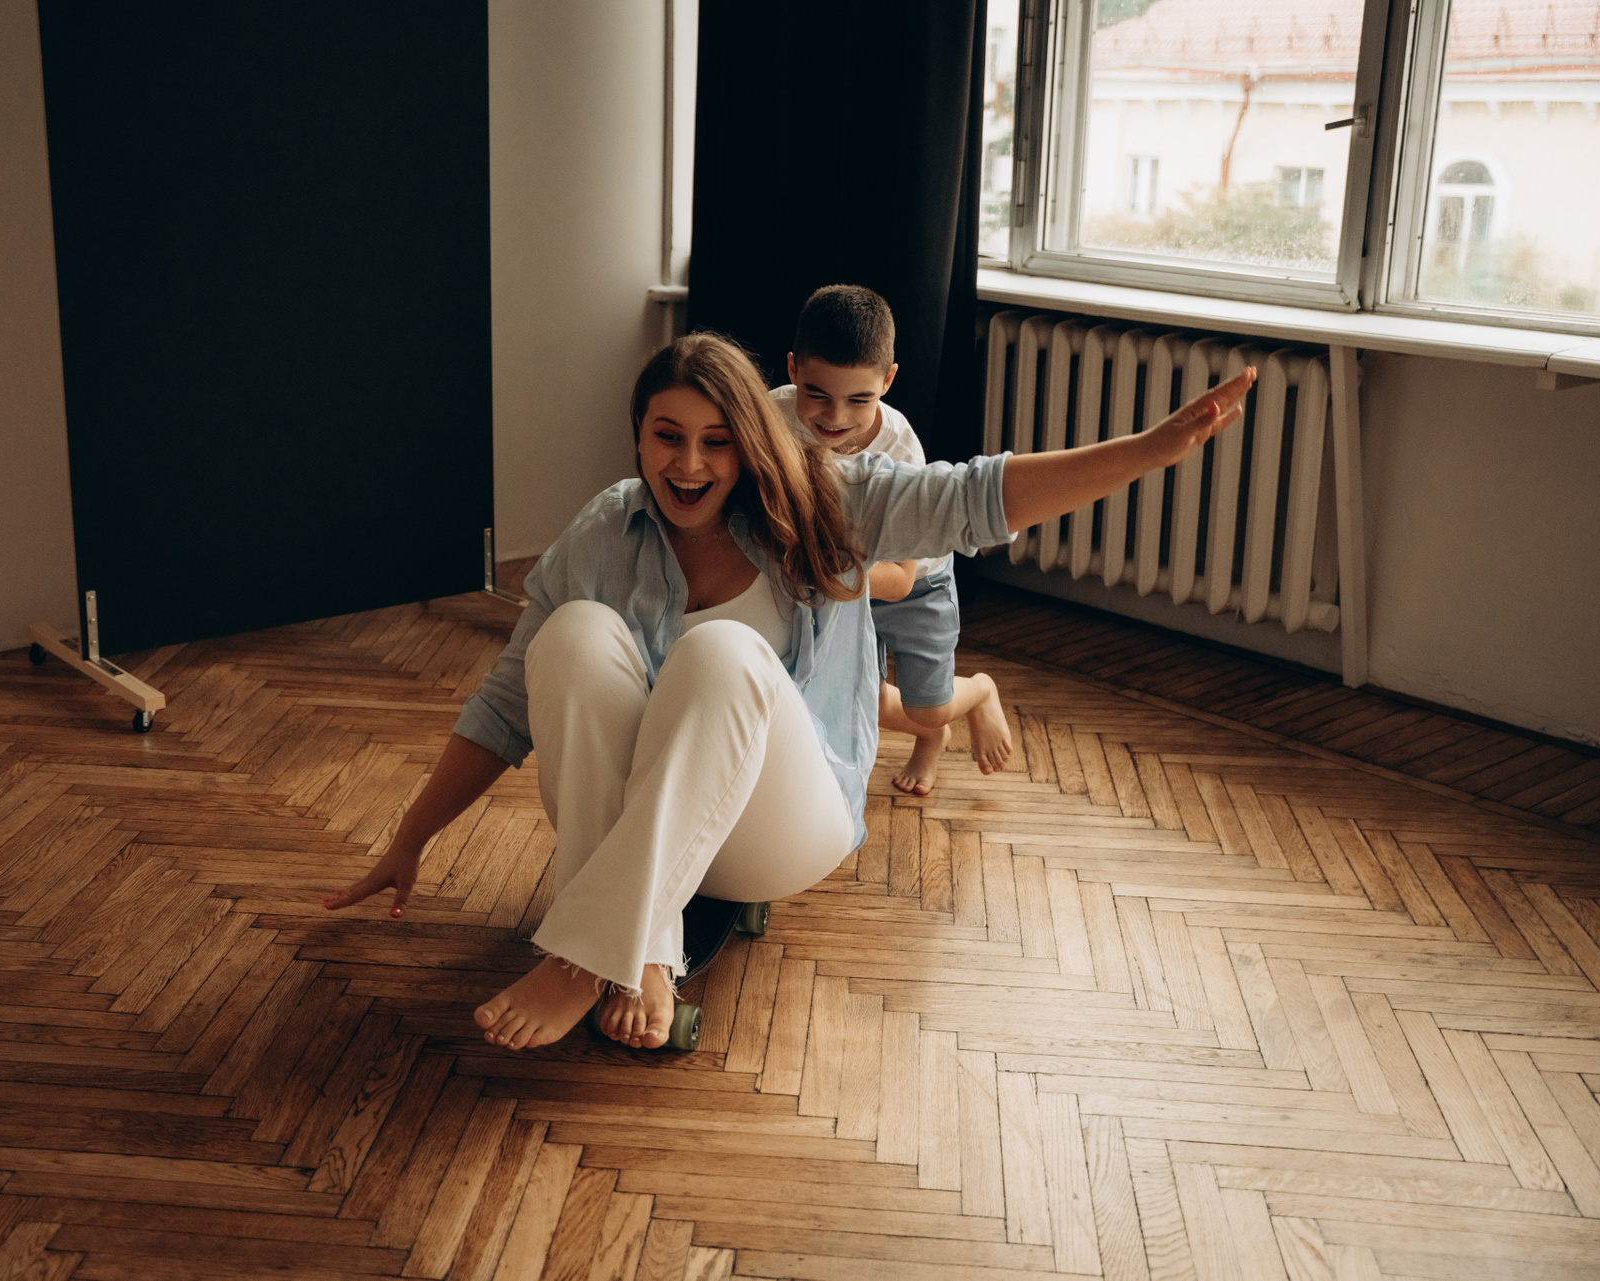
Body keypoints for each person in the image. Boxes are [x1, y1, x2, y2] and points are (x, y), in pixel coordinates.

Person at [326, 332, 1254, 1052]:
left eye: (717, 442)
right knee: (570, 633)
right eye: (667, 437)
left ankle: (582, 957)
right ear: (637, 435)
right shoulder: (607, 529)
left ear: (750, 442)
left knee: (722, 652)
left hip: (779, 827)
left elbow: (976, 497)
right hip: (641, 817)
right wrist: (410, 837)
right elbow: (506, 705)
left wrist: (1150, 449)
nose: (689, 465)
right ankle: (641, 946)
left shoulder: (823, 498)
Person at [774, 285, 1010, 796]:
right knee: (872, 701)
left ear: (888, 380)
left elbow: (900, 580)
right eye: (818, 395)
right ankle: (934, 736)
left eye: (859, 399)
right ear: (793, 370)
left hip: (916, 586)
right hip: (841, 579)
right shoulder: (773, 417)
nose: (835, 417)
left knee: (929, 706)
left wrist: (820, 572)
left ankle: (976, 693)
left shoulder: (900, 447)